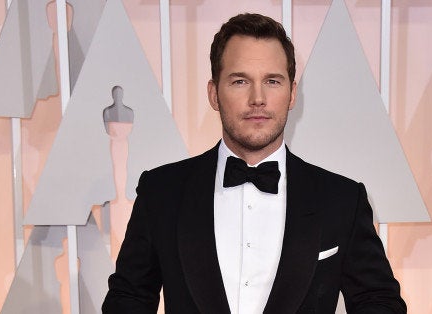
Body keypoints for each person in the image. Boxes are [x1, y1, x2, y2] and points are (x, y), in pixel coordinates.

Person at [102, 13, 406, 313]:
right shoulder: (162, 192)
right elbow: (128, 299)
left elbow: (380, 301)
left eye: (272, 81)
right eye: (239, 81)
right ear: (213, 93)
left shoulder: (341, 199)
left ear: (291, 93)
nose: (257, 98)